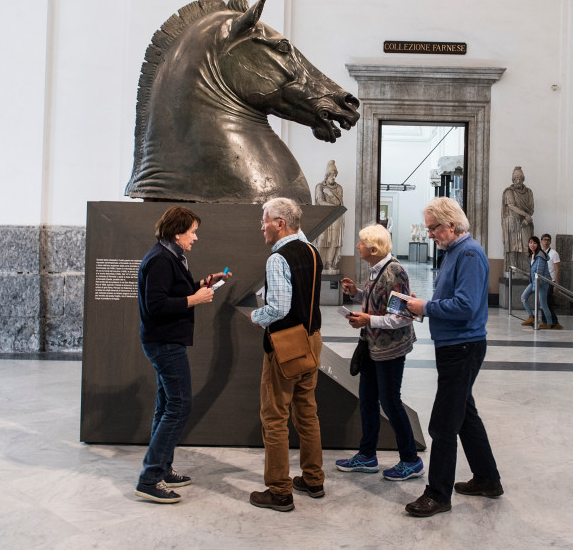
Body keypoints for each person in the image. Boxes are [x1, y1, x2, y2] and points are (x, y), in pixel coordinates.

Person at [404, 197, 502, 518]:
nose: (430, 233)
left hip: (463, 347)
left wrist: (426, 308)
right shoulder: (453, 253)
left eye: (434, 228)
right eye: (429, 228)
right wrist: (423, 304)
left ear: (452, 225)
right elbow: (453, 298)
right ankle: (488, 479)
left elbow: (466, 306)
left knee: (444, 423)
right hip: (453, 347)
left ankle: (438, 494)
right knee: (465, 415)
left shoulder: (469, 254)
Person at [134, 206, 229, 504]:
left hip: (166, 341)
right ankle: (150, 478)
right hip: (164, 342)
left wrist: (201, 284)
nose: (196, 237)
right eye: (192, 232)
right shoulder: (161, 259)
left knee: (166, 404)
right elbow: (157, 306)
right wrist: (194, 299)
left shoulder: (169, 255)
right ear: (177, 232)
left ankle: (161, 468)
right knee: (178, 405)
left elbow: (169, 293)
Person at [247, 197, 325, 512]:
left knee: (274, 416)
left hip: (286, 345)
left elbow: (278, 307)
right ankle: (313, 479)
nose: (261, 226)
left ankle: (279, 491)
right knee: (307, 411)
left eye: (265, 219)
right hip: (313, 339)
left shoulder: (278, 258)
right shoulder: (312, 251)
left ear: (280, 224)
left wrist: (255, 317)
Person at [338, 224, 421, 481]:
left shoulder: (394, 272)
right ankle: (367, 455)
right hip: (374, 347)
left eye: (361, 243)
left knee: (390, 402)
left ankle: (411, 460)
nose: (357, 246)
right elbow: (381, 300)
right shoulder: (376, 270)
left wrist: (368, 321)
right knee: (368, 399)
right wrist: (358, 293)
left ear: (374, 248)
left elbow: (402, 316)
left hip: (390, 348)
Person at [501, 166, 534, 275]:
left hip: (525, 223)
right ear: (513, 179)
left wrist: (528, 219)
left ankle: (527, 270)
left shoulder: (529, 192)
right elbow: (511, 206)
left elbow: (531, 209)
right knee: (512, 247)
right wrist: (526, 215)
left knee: (526, 246)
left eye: (520, 179)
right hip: (512, 222)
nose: (518, 181)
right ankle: (512, 270)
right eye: (515, 179)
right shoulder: (509, 192)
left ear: (523, 179)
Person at [313, 160, 344, 273]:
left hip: (336, 217)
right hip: (324, 217)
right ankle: (318, 263)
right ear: (327, 175)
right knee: (321, 239)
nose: (334, 177)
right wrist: (333, 206)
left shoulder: (339, 188)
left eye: (335, 175)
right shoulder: (319, 186)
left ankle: (329, 264)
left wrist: (330, 194)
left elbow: (339, 203)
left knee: (334, 241)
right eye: (331, 175)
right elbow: (320, 202)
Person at [520, 236, 553, 329]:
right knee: (523, 298)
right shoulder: (533, 255)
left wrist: (535, 288)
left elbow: (539, 273)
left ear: (538, 244)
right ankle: (531, 317)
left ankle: (549, 324)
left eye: (534, 243)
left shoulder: (540, 256)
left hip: (542, 283)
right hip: (535, 282)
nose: (532, 245)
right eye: (530, 243)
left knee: (543, 305)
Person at [540, 233, 562, 329]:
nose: (546, 241)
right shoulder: (539, 252)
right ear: (541, 241)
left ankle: (553, 322)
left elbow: (557, 269)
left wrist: (556, 284)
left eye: (548, 240)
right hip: (541, 282)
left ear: (550, 241)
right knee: (542, 302)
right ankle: (545, 321)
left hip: (550, 281)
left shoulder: (554, 253)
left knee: (548, 303)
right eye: (544, 239)